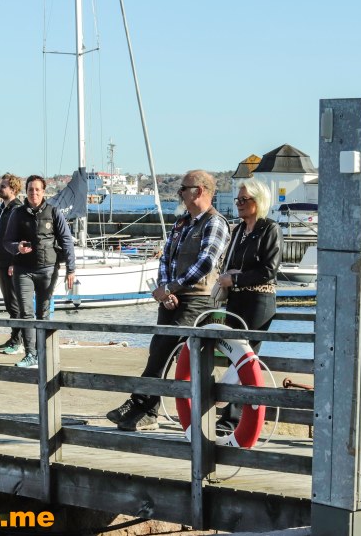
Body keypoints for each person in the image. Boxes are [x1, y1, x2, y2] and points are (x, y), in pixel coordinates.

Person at [107, 169, 231, 432]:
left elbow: (206, 263)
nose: (179, 194)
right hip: (174, 297)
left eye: (183, 189)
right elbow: (166, 259)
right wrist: (166, 290)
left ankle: (140, 405)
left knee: (165, 346)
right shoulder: (181, 224)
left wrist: (172, 286)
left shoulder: (215, 223)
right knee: (158, 348)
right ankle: (145, 409)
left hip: (199, 300)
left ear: (199, 191)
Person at [213, 178, 281, 433]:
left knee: (245, 357)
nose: (239, 204)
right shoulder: (239, 230)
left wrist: (236, 279)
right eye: (238, 199)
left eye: (244, 199)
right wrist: (228, 277)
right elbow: (228, 262)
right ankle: (230, 416)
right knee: (234, 355)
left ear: (258, 201)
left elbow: (269, 270)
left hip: (259, 300)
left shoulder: (270, 228)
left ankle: (231, 419)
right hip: (236, 299)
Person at [1, 175, 77, 368]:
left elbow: (66, 241)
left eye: (37, 189)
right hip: (23, 270)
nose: (33, 193)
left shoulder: (54, 212)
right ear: (25, 192)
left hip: (47, 269)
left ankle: (43, 353)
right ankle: (31, 354)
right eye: (30, 189)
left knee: (43, 313)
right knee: (26, 313)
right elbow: (6, 241)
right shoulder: (17, 213)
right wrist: (17, 247)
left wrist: (71, 269)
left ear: (43, 191)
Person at [0, 173, 23, 351]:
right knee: (9, 302)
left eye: (3, 186)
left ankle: (19, 340)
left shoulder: (18, 210)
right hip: (0, 260)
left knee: (14, 302)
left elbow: (20, 238)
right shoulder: (0, 210)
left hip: (11, 262)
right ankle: (14, 336)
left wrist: (15, 262)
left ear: (13, 189)